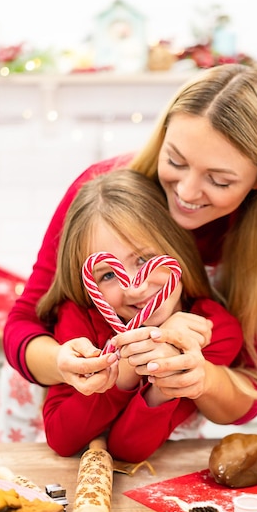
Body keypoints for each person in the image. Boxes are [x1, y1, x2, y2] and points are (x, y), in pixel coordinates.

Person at [3, 63, 257, 438]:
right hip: (52, 418)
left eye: (219, 180)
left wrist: (200, 377)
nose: (188, 192)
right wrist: (61, 364)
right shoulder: (100, 196)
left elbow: (250, 391)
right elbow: (23, 323)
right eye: (175, 161)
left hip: (157, 438)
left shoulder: (255, 247)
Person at [39, 169, 244, 460]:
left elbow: (128, 449)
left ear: (177, 249)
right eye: (109, 274)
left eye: (145, 259)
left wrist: (167, 360)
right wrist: (124, 369)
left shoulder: (212, 331)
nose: (134, 288)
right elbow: (61, 438)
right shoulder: (78, 318)